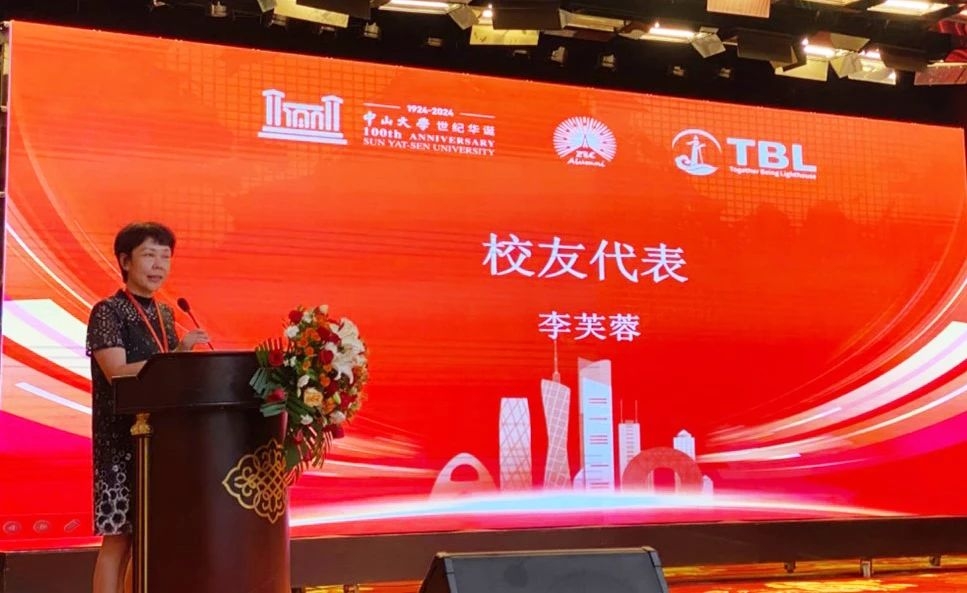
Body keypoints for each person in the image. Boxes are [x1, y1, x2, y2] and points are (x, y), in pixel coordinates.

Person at [86, 222, 210, 593]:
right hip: (120, 442)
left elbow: (166, 373)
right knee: (119, 539)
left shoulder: (165, 314)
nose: (159, 265)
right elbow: (117, 372)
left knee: (148, 539)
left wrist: (183, 352)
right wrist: (172, 359)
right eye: (149, 255)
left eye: (165, 257)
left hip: (160, 441)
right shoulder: (107, 311)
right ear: (125, 261)